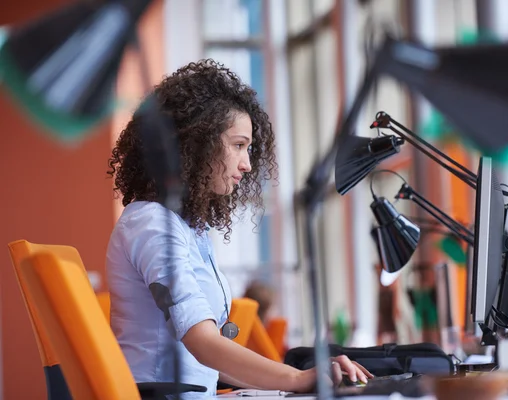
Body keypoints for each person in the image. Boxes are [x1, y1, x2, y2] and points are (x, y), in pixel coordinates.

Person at [106, 60, 372, 397]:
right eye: (238, 145)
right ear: (196, 144)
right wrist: (297, 380)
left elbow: (209, 363)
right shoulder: (151, 224)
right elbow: (202, 342)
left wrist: (300, 378)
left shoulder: (188, 229)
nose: (247, 164)